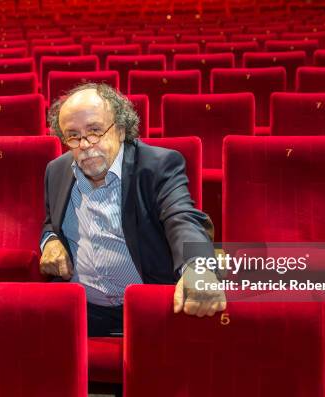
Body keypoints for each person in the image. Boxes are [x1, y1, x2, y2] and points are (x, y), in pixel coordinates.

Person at [40, 83, 226, 336]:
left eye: (94, 130)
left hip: (145, 311)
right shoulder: (57, 170)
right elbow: (51, 223)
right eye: (72, 135)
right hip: (81, 311)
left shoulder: (158, 165)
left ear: (119, 129)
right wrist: (50, 241)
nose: (84, 144)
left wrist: (198, 268)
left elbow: (181, 217)